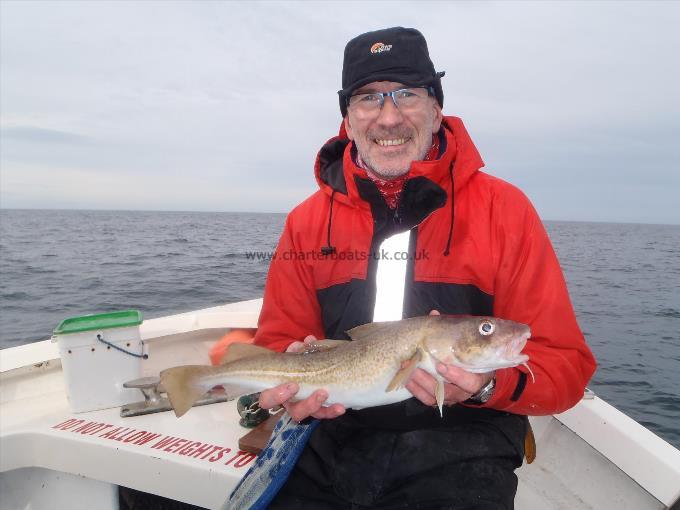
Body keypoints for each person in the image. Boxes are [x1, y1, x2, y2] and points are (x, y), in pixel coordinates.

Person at [253, 27, 596, 509]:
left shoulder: (505, 210)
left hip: (465, 442)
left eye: (407, 95)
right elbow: (277, 343)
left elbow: (565, 364)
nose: (388, 117)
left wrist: (488, 385)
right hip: (332, 431)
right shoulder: (307, 222)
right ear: (347, 119)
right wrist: (292, 390)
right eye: (369, 98)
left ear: (436, 109)